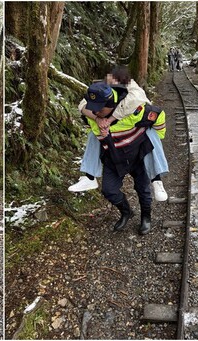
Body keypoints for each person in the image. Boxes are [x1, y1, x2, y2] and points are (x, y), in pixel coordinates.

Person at [69, 66, 168, 201]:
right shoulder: (102, 90)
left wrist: (110, 119)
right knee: (93, 135)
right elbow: (82, 105)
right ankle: (89, 176)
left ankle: (157, 179)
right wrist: (98, 119)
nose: (109, 82)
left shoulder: (133, 92)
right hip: (116, 145)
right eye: (108, 80)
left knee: (151, 134)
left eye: (113, 80)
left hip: (140, 130)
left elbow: (135, 101)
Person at [84, 82, 166, 235]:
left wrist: (157, 136)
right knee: (109, 190)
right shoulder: (94, 115)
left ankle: (146, 216)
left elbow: (158, 114)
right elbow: (83, 109)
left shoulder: (134, 110)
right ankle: (126, 211)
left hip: (138, 157)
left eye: (99, 109)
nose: (95, 112)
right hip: (113, 159)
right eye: (93, 108)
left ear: (110, 104)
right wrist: (97, 121)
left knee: (143, 189)